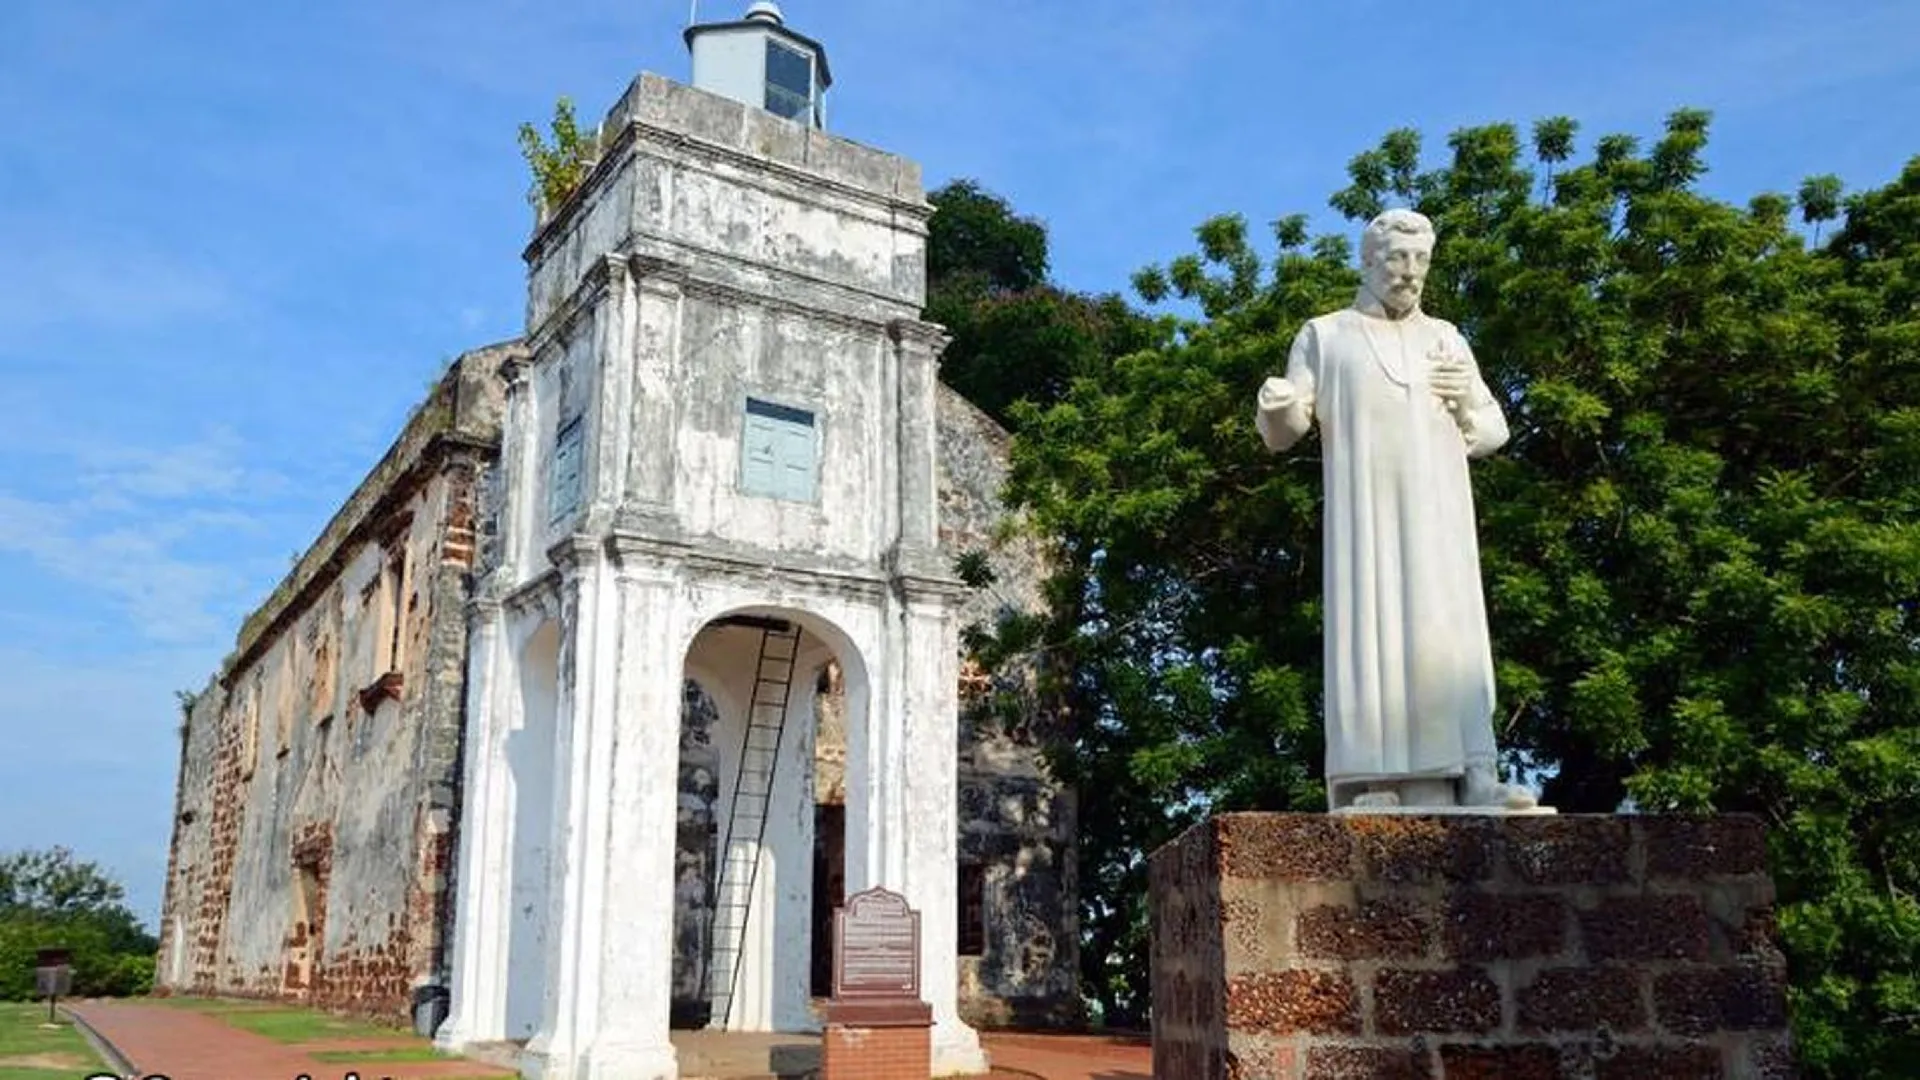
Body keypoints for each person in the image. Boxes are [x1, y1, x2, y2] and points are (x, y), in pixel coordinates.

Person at [1256, 208, 1538, 812]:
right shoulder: (1325, 335)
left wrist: (1466, 403)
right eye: (1396, 259)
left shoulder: (1447, 337)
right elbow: (1285, 429)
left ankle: (1477, 776)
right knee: (1375, 630)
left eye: (1420, 260)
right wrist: (1278, 405)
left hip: (1440, 514)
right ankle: (1370, 780)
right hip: (1370, 518)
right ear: (1367, 260)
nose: (1409, 273)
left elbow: (1493, 429)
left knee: (1452, 636)